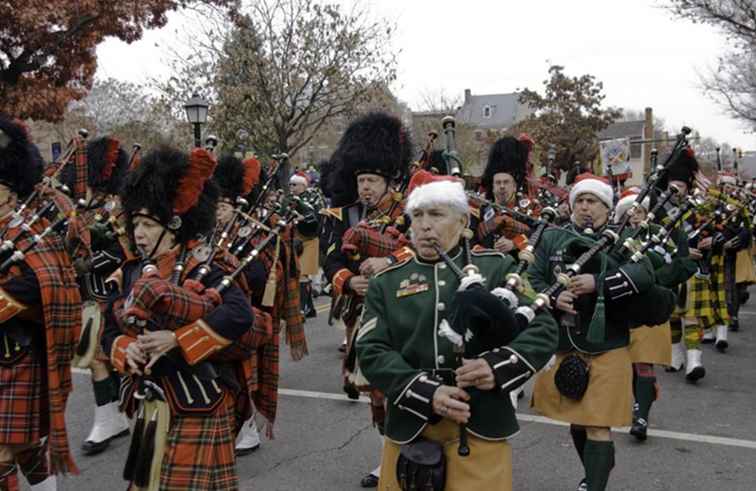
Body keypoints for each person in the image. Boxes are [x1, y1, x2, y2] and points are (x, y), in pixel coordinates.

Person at [356, 175, 557, 490]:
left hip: (482, 424)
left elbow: (543, 326)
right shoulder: (387, 282)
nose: (424, 225)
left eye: (436, 214)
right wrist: (426, 392)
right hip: (411, 425)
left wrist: (498, 366)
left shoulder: (497, 269)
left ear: (463, 220)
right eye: (418, 215)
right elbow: (371, 349)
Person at [101, 146, 255, 490]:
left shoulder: (206, 266)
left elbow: (239, 314)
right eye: (135, 223)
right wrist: (127, 349)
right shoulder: (129, 272)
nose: (137, 233)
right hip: (148, 403)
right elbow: (108, 331)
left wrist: (177, 340)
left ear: (173, 225)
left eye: (147, 225)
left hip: (197, 400)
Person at [529, 174, 675, 491]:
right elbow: (533, 277)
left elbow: (646, 272)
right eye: (579, 201)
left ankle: (595, 484)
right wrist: (554, 297)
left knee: (597, 425)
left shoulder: (624, 238)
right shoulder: (552, 237)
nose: (585, 207)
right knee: (579, 422)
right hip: (565, 344)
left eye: (592, 201)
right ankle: (597, 467)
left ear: (607, 208)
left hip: (608, 343)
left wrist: (600, 284)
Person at [323, 112, 415, 487]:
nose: (365, 188)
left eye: (372, 180)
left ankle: (405, 452)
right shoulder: (341, 214)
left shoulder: (408, 212)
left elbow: (421, 250)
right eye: (361, 180)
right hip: (360, 312)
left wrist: (390, 261)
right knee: (373, 390)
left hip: (403, 309)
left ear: (388, 180)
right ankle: (386, 456)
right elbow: (330, 259)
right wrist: (348, 282)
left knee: (397, 386)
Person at [0, 115, 81, 490]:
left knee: (3, 453)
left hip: (17, 354)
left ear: (9, 189)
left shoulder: (29, 229)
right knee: (29, 449)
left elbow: (49, 283)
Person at [61, 136, 133, 456]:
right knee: (97, 358)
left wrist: (88, 264)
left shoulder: (117, 209)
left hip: (111, 291)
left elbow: (124, 249)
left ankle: (110, 417)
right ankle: (113, 415)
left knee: (100, 358)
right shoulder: (81, 208)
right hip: (85, 293)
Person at [615, 186, 696, 441]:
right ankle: (643, 397)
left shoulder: (666, 236)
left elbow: (683, 265)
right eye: (630, 211)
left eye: (639, 210)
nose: (635, 214)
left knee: (643, 361)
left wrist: (653, 279)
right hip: (620, 308)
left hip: (651, 306)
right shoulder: (615, 237)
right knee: (623, 365)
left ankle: (641, 417)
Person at [475, 136, 533, 254]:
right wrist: (486, 253)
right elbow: (470, 237)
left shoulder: (527, 205)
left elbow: (538, 235)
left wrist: (515, 243)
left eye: (506, 182)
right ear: (492, 184)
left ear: (515, 185)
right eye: (498, 182)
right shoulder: (480, 206)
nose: (502, 186)